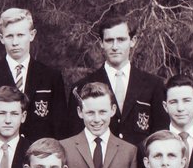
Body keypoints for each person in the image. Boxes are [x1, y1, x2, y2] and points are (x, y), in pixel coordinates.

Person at [67, 14, 169, 159]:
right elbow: (75, 138)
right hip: (100, 166)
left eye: (121, 40)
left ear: (132, 41)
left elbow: (161, 135)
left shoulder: (153, 85)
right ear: (101, 43)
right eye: (109, 40)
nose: (115, 47)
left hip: (141, 166)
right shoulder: (81, 87)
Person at [0, 8, 66, 145]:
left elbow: (59, 127)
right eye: (10, 36)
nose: (15, 42)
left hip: (40, 153)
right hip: (2, 153)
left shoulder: (51, 77)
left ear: (32, 35)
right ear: (1, 38)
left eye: (20, 35)